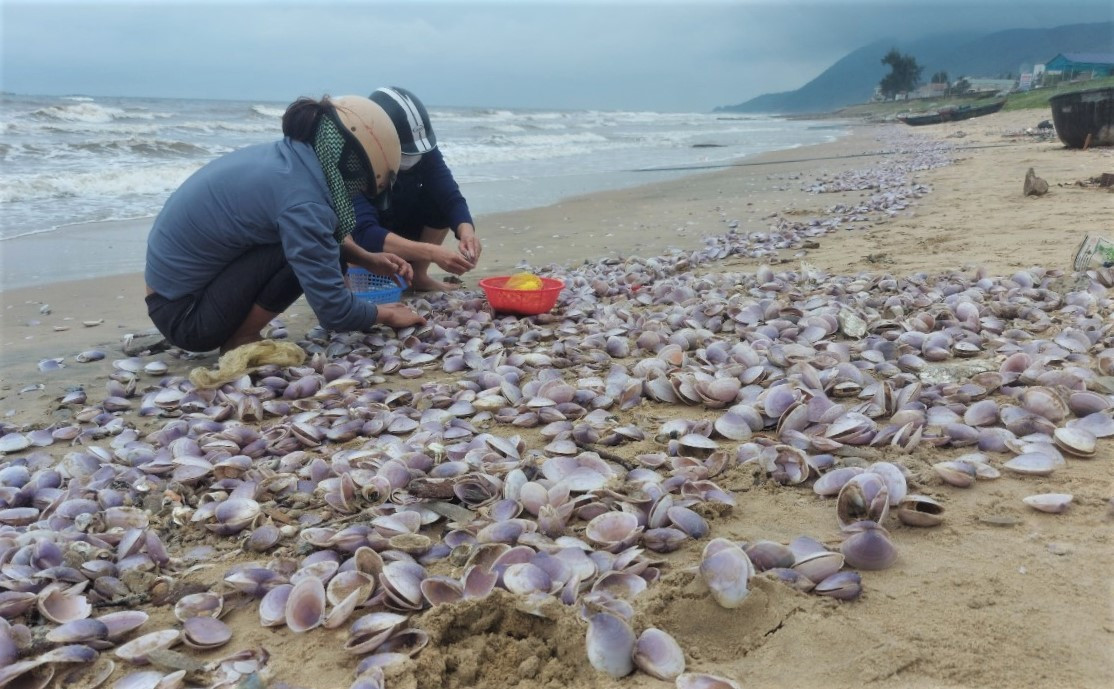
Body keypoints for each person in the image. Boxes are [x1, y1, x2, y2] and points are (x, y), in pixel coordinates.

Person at [143, 95, 426, 355]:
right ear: (352, 163)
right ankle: (240, 338)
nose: (355, 191)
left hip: (176, 298)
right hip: (187, 318)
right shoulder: (304, 204)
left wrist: (366, 259)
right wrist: (386, 314)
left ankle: (239, 330)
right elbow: (334, 312)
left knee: (318, 245)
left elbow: (320, 239)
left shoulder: (291, 159)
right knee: (307, 248)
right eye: (360, 185)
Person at [351, 86, 482, 291]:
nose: (411, 159)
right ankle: (357, 285)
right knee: (350, 237)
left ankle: (418, 276)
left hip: (401, 226)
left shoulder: (423, 149)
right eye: (404, 154)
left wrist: (467, 233)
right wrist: (431, 252)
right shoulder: (352, 162)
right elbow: (364, 232)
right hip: (364, 243)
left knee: (439, 202)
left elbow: (449, 195)